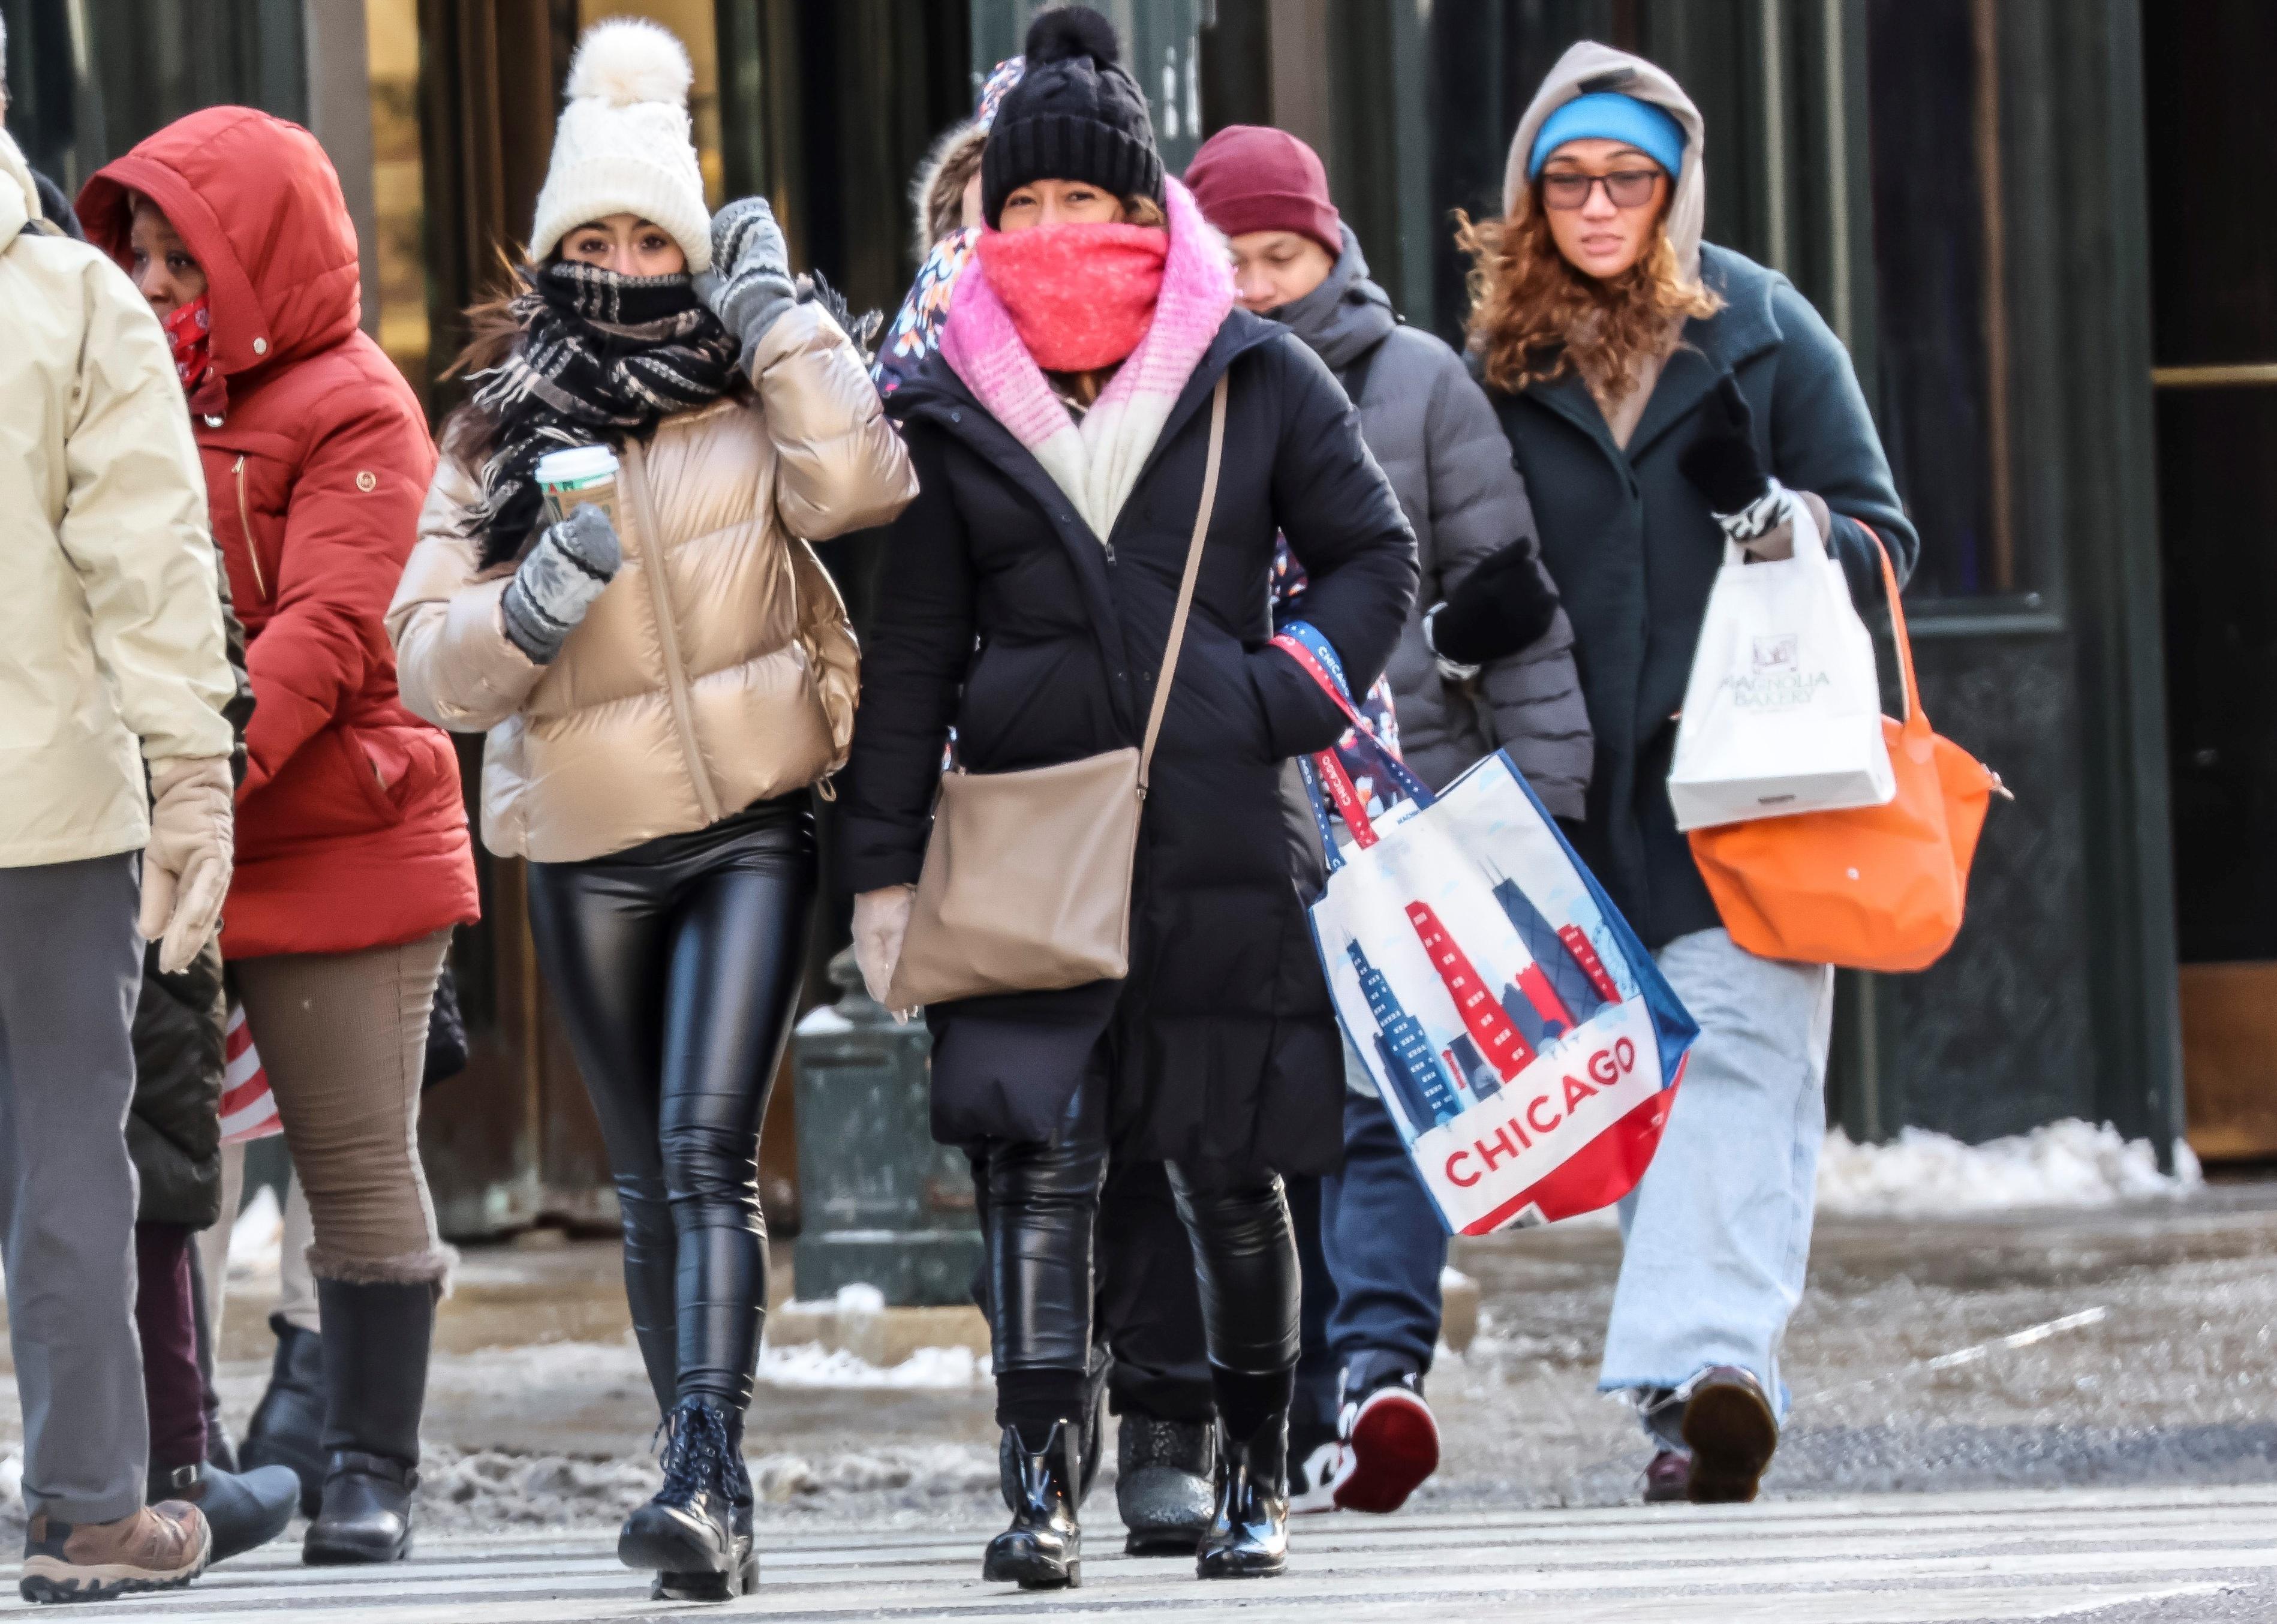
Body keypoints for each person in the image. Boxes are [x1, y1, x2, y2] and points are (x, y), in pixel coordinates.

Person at [843, 7, 1416, 1589]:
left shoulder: (1251, 373)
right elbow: (906, 659)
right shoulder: (953, 401)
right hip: (1026, 832)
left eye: (1075, 201)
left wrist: (1280, 692)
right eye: (1014, 206)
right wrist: (880, 875)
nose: (1044, 232)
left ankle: (1248, 1472)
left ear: (1134, 206)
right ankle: (1038, 1490)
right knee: (1038, 1165)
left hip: (1217, 834)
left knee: (1228, 1167)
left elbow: (1376, 557)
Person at [387, 17, 916, 1602]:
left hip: (753, 818)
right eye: (594, 236)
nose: (624, 260)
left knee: (704, 1151)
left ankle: (700, 1464)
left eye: (651, 234)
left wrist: (777, 315)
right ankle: (709, 1477)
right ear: (554, 250)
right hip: (587, 848)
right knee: (641, 1175)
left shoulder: (753, 378)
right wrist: (530, 608)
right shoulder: (493, 421)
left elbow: (861, 486)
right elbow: (425, 660)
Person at [1454, 42, 1917, 1503]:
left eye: (1628, 180)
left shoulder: (1768, 330)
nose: (1599, 205)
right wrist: (1460, 638)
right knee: (1662, 1093)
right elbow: (1425, 548)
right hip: (1571, 790)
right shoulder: (1494, 365)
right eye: (1570, 180)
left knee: (1741, 1060)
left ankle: (1709, 1367)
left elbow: (1882, 546)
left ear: (1675, 191)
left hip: (1755, 781)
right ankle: (1701, 1398)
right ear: (1533, 197)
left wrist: (1774, 519)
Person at [80, 106, 482, 1565]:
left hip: (331, 835)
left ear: (260, 262)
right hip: (164, 827)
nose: (161, 286)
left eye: (189, 261)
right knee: (162, 1163)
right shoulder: (121, 388)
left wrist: (199, 771)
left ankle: (370, 1467)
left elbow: (328, 626)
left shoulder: (360, 404)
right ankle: (185, 1447)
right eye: (143, 257)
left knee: (357, 1158)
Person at [1185, 123, 1592, 1515]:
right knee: (1261, 1104)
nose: (1255, 284)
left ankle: (1372, 1372)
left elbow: (1509, 587)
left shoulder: (1419, 385)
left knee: (1383, 1093)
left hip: (1398, 805)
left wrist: (1546, 798)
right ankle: (1296, 1399)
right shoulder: (1171, 392)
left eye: (1280, 255)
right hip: (1233, 803)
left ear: (1332, 246)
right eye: (1227, 258)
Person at [0, 123, 233, 1604]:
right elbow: (146, 556)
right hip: (48, 811)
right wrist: (195, 772)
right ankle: (90, 1509)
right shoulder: (73, 304)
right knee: (67, 1149)